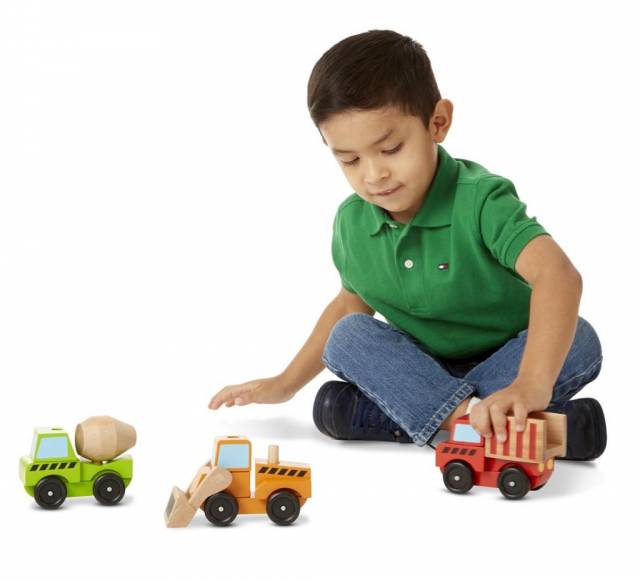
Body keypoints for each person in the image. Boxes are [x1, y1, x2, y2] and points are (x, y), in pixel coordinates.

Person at [209, 29, 606, 461]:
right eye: (350, 160)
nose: (374, 175)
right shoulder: (352, 221)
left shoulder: (481, 200)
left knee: (580, 338)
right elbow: (351, 304)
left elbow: (558, 276)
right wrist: (283, 384)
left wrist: (530, 383)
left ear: (438, 123)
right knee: (347, 336)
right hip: (419, 367)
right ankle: (512, 428)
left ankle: (417, 418)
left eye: (391, 149)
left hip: (509, 360)